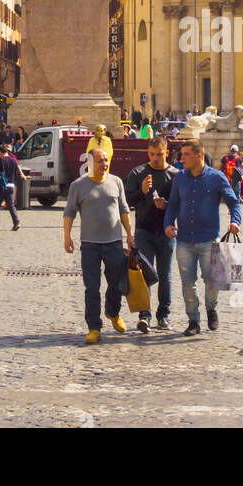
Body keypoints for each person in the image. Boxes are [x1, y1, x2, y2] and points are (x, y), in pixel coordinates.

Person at [164, 138, 241, 336]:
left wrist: (235, 221)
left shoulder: (216, 177)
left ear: (198, 156)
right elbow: (172, 203)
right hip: (184, 240)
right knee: (187, 283)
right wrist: (168, 223)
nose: (181, 159)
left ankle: (211, 309)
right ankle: (193, 320)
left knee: (212, 280)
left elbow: (233, 202)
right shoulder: (180, 177)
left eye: (185, 155)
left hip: (209, 239)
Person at [64, 146, 137, 343]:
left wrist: (129, 234)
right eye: (99, 161)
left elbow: (124, 210)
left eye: (106, 160)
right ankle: (94, 327)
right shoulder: (78, 185)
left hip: (114, 242)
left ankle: (112, 313)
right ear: (90, 163)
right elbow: (69, 212)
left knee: (117, 284)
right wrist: (67, 236)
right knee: (92, 287)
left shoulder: (116, 182)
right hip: (89, 245)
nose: (104, 164)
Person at [124, 135, 176, 332]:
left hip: (166, 232)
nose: (155, 158)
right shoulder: (138, 173)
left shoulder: (175, 174)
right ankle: (144, 315)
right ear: (148, 153)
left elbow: (180, 204)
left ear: (167, 153)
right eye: (152, 154)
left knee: (165, 275)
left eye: (160, 154)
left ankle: (163, 315)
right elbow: (127, 201)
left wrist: (167, 205)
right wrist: (143, 192)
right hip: (144, 230)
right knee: (144, 274)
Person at [0, 143, 23, 231]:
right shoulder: (13, 160)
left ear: (1, 152)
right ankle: (16, 222)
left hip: (1, 185)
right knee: (11, 205)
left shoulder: (0, 160)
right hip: (11, 185)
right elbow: (15, 172)